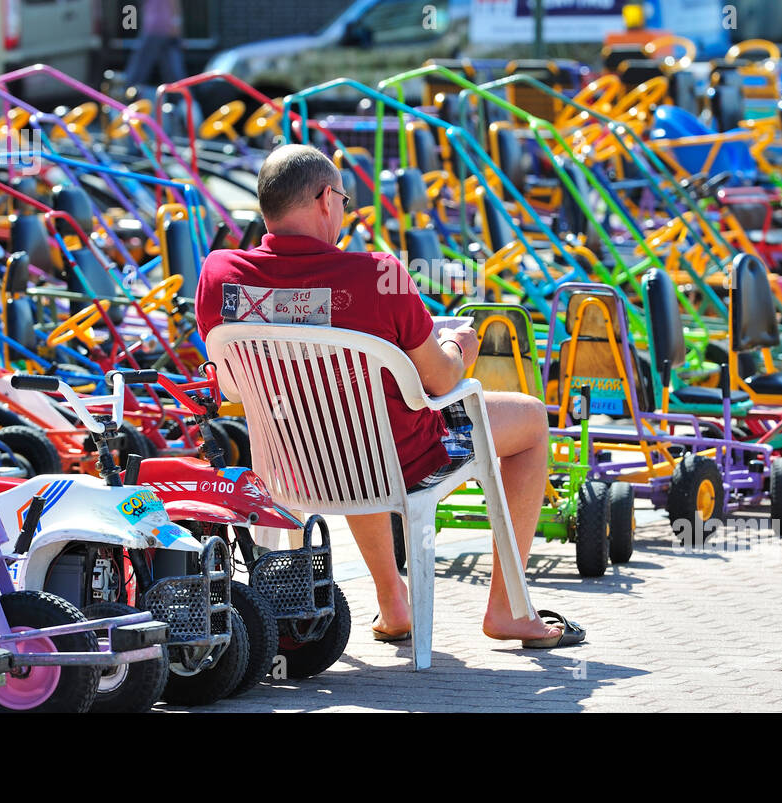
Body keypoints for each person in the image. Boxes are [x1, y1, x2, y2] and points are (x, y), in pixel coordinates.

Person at [194, 144, 585, 649]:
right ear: (322, 199)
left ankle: (393, 602)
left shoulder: (220, 275)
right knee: (529, 419)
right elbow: (442, 381)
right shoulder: (376, 276)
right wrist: (459, 345)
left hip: (290, 463)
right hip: (401, 464)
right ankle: (508, 607)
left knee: (342, 424)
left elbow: (226, 381)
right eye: (344, 199)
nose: (344, 210)